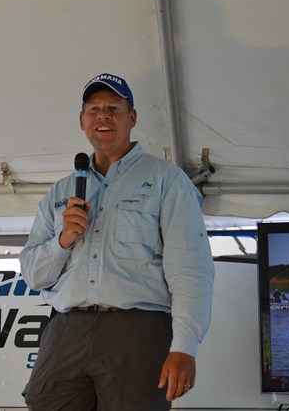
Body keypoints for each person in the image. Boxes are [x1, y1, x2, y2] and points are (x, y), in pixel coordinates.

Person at [19, 73, 215, 410]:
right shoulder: (61, 191)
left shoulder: (167, 180)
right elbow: (34, 276)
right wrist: (63, 240)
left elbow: (190, 269)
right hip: (67, 327)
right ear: (82, 121)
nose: (103, 117)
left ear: (132, 118)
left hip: (138, 329)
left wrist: (185, 346)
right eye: (94, 109)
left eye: (113, 108)